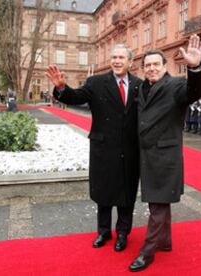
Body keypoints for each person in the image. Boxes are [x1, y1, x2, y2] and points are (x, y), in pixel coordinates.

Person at [46, 45, 142, 252]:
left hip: (130, 150)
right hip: (103, 148)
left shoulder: (139, 85)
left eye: (121, 57)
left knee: (127, 193)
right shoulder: (96, 82)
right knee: (103, 191)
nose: (117, 61)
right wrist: (62, 88)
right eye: (114, 57)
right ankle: (103, 231)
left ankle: (123, 233)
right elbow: (76, 97)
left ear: (130, 62)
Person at [129, 34, 201, 272]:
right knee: (159, 201)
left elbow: (196, 91)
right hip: (147, 155)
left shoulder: (175, 86)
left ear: (165, 67)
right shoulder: (143, 87)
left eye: (156, 64)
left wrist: (195, 68)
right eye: (148, 65)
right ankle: (164, 241)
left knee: (158, 204)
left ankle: (148, 251)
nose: (151, 68)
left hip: (164, 157)